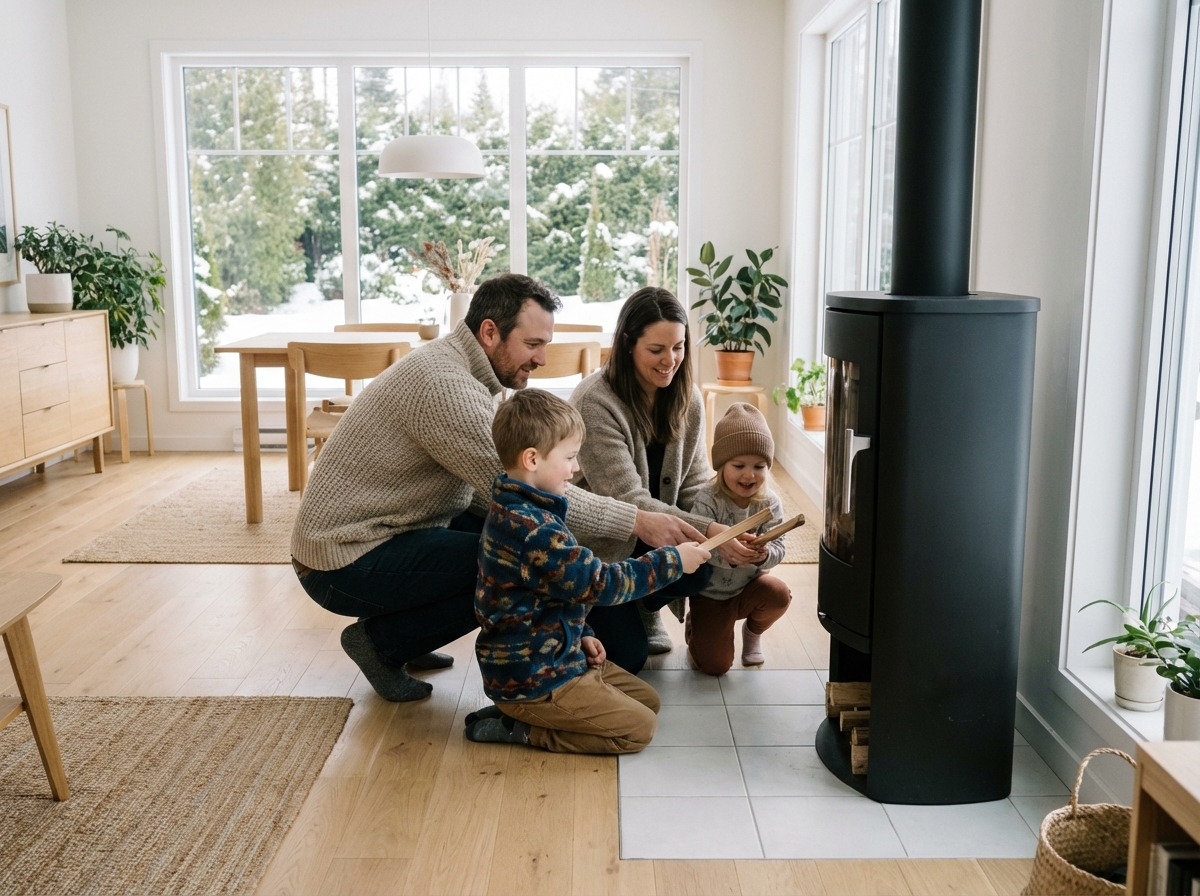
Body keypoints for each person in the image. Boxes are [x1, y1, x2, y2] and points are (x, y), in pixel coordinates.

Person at [290, 274, 702, 703]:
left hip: (384, 532)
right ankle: (381, 644)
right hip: (342, 558)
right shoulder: (446, 387)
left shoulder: (461, 368)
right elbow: (524, 489)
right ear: (489, 332)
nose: (542, 359)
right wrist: (636, 520)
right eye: (533, 344)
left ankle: (405, 631)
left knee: (507, 533)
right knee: (513, 558)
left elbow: (494, 497)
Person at [465, 389, 710, 751]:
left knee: (650, 703)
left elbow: (552, 592)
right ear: (532, 459)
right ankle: (522, 727)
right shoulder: (535, 530)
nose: (576, 468)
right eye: (569, 457)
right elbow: (601, 584)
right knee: (638, 730)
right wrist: (673, 560)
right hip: (534, 678)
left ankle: (519, 711)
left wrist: (582, 633)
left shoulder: (522, 508)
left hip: (551, 658)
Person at [570, 287, 763, 673]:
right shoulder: (595, 400)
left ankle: (644, 605)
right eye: (656, 349)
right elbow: (628, 500)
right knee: (627, 660)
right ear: (627, 343)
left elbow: (694, 484)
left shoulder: (686, 399)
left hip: (653, 536)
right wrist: (707, 528)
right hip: (605, 545)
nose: (670, 360)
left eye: (678, 348)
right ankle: (586, 615)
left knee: (703, 564)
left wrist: (724, 526)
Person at [687, 403, 792, 674]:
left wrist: (766, 554)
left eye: (759, 466)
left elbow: (780, 545)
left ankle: (752, 633)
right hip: (711, 594)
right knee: (715, 666)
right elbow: (698, 549)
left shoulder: (769, 502)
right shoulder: (708, 499)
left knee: (779, 593)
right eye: (739, 465)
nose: (749, 474)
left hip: (749, 588)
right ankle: (696, 627)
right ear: (721, 465)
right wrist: (732, 555)